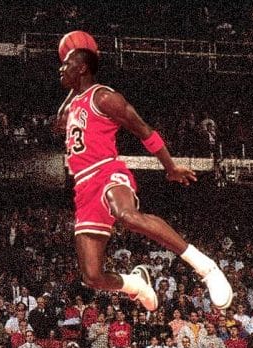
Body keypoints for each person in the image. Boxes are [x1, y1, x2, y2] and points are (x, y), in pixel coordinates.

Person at [56, 41, 233, 312]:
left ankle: (205, 267)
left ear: (82, 68)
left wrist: (170, 167)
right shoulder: (71, 105)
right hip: (83, 185)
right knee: (91, 277)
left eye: (67, 64)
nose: (61, 68)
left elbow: (143, 130)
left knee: (127, 216)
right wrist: (73, 86)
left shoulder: (103, 97)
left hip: (107, 170)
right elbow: (57, 124)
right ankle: (135, 283)